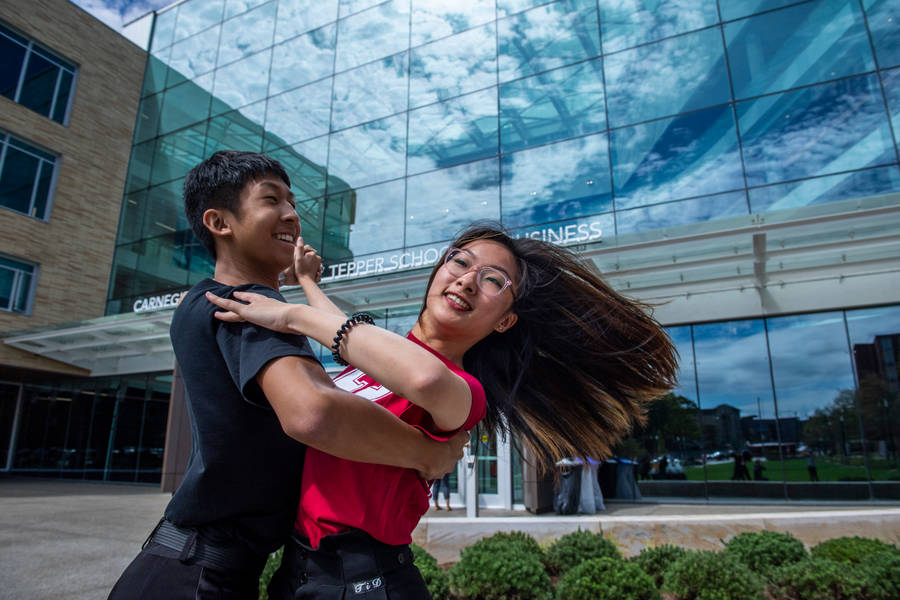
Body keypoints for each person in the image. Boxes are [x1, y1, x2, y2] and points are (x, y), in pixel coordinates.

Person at [206, 222, 679, 599]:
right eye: (461, 261)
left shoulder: (464, 391)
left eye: (493, 281)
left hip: (364, 578)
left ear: (505, 320)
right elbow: (350, 335)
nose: (468, 280)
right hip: (298, 567)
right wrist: (308, 282)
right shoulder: (371, 358)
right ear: (438, 272)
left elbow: (422, 377)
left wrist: (289, 315)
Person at [107, 151, 466, 600]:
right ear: (219, 222)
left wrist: (305, 287)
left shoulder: (205, 299)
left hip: (183, 566)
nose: (292, 215)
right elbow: (314, 411)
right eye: (271, 199)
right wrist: (428, 454)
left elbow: (333, 370)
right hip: (199, 578)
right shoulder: (246, 306)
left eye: (292, 203)